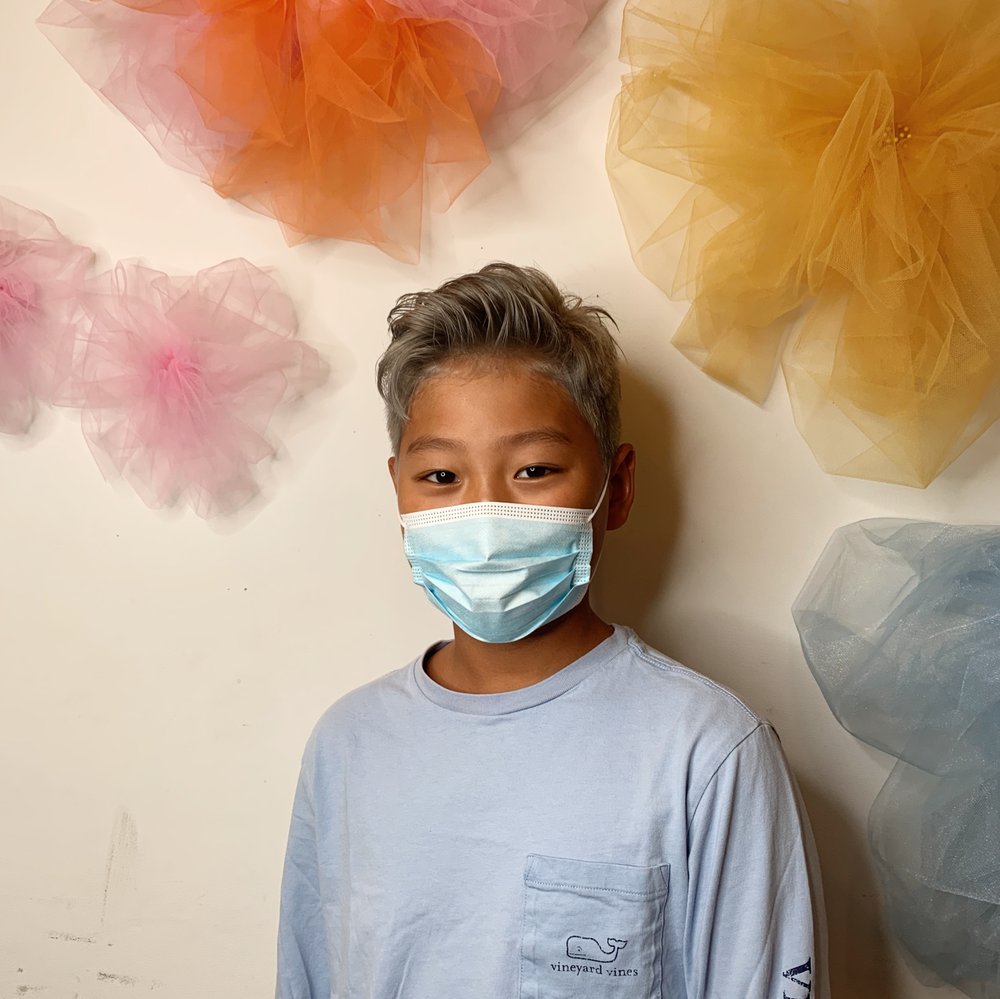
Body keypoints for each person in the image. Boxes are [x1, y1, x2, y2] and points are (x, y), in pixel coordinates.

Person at [275, 263, 827, 999]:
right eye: (440, 477)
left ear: (616, 488)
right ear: (397, 489)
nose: (485, 514)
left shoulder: (706, 752)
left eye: (534, 470)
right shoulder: (347, 746)